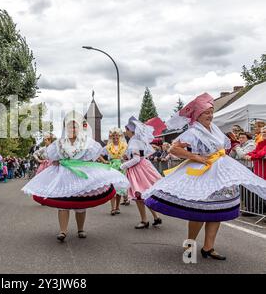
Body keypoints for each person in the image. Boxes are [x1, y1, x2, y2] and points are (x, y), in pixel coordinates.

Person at [144, 93, 266, 260]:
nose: (210, 115)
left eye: (211, 111)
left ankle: (208, 247)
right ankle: (190, 244)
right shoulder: (194, 131)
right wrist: (197, 157)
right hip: (202, 172)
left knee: (216, 210)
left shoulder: (214, 128)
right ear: (198, 115)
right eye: (207, 112)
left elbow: (222, 146)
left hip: (219, 171)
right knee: (199, 210)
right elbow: (174, 149)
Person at [22, 111, 130, 242]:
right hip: (63, 176)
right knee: (63, 204)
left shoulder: (86, 143)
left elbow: (90, 158)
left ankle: (80, 229)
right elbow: (53, 160)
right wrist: (59, 162)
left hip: (79, 176)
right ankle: (63, 231)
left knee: (80, 205)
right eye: (69, 126)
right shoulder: (59, 144)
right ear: (65, 128)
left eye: (74, 126)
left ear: (79, 128)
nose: (72, 129)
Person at [121, 116, 162, 229]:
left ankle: (144, 220)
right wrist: (127, 156)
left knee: (139, 196)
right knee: (145, 194)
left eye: (126, 130)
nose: (126, 132)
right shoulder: (138, 140)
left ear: (130, 130)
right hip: (144, 166)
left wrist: (123, 165)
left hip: (138, 170)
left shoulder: (134, 140)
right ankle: (156, 216)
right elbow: (138, 155)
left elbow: (136, 159)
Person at [100, 128, 128, 215]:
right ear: (111, 137)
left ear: (120, 136)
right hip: (112, 167)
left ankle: (117, 207)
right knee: (112, 188)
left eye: (117, 136)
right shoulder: (108, 147)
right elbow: (99, 154)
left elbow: (128, 156)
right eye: (113, 136)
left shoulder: (124, 146)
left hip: (120, 167)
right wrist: (105, 161)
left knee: (119, 188)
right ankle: (112, 208)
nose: (115, 137)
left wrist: (125, 159)